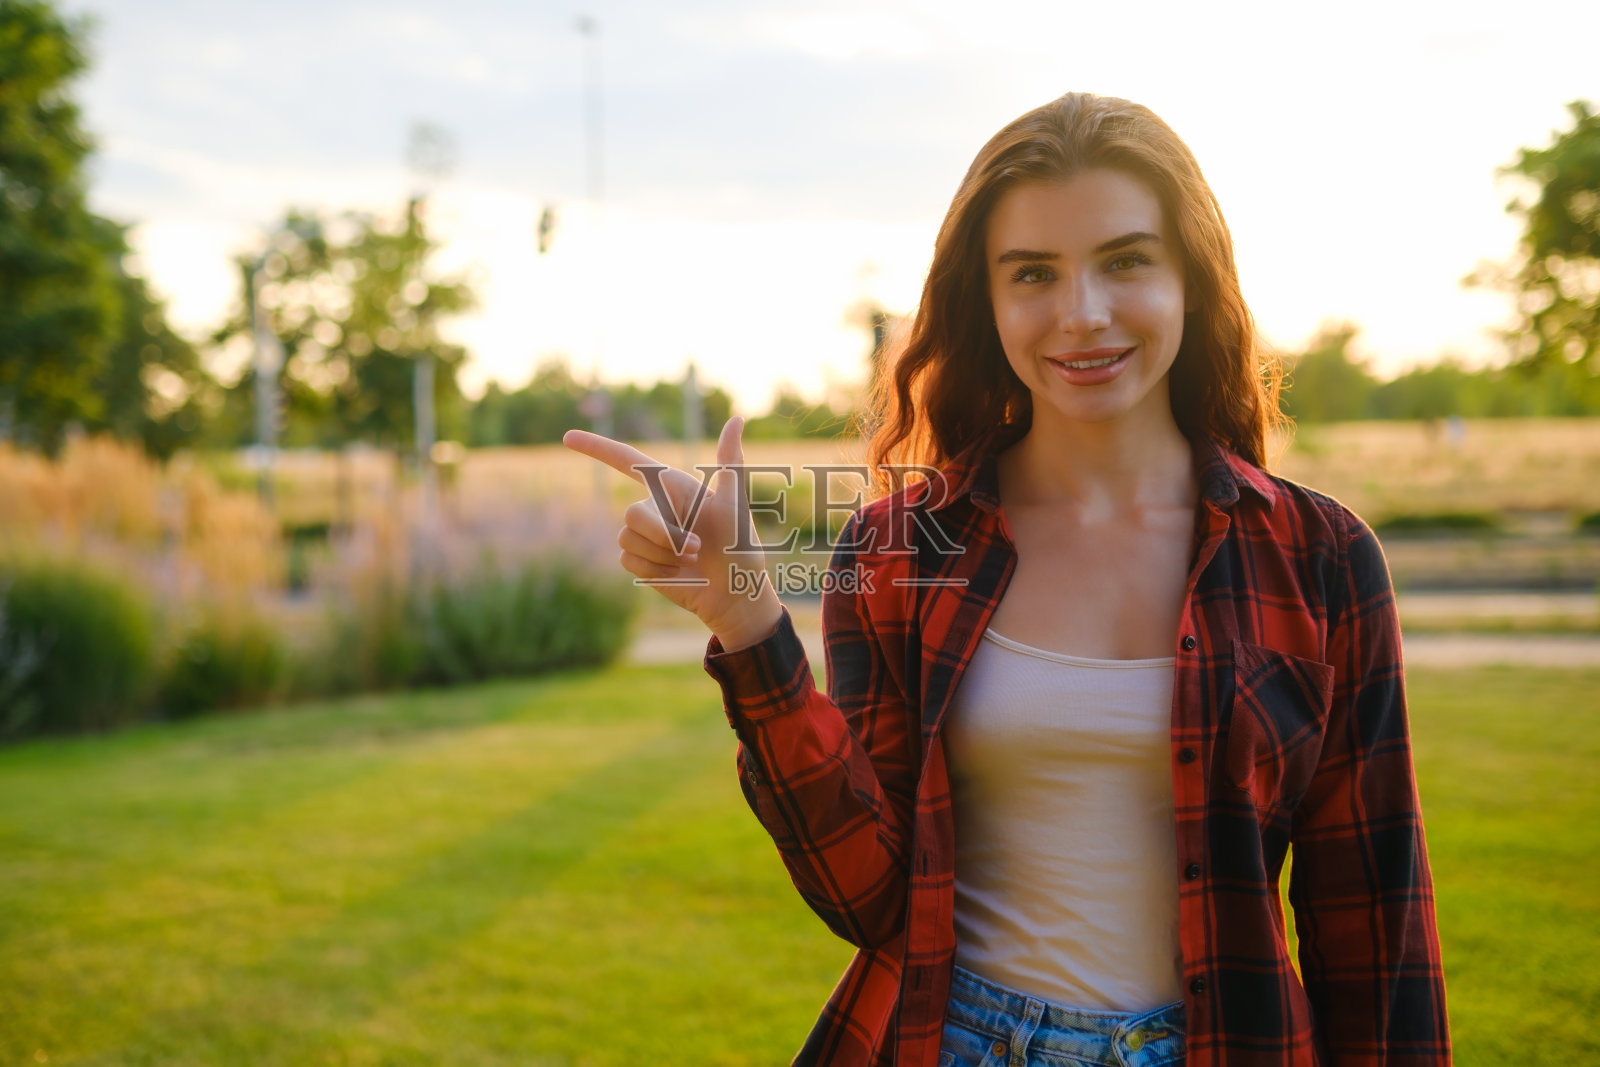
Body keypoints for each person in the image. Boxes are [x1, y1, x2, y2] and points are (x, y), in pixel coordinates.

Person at [565, 92, 1450, 1067]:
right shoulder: (897, 547)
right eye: (1034, 272)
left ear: (1189, 277)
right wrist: (747, 619)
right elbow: (867, 892)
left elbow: (1373, 928)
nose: (1081, 313)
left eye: (1124, 260)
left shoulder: (1321, 561)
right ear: (984, 302)